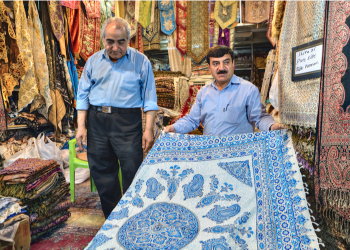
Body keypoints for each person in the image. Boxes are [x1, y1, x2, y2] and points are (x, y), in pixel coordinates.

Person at [76, 17, 158, 218]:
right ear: (103, 39)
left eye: (121, 42)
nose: (115, 47)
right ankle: (112, 219)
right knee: (103, 173)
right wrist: (81, 127)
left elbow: (149, 99)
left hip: (127, 123)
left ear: (128, 40)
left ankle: (132, 217)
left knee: (132, 171)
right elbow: (82, 95)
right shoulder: (93, 61)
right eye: (110, 41)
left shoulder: (141, 62)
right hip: (97, 121)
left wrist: (148, 130)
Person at [164, 45, 283, 135]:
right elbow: (191, 120)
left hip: (237, 156)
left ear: (233, 64)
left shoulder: (248, 90)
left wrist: (272, 126)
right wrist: (174, 127)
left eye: (226, 62)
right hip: (210, 155)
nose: (221, 68)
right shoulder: (203, 92)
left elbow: (260, 117)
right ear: (209, 68)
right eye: (216, 64)